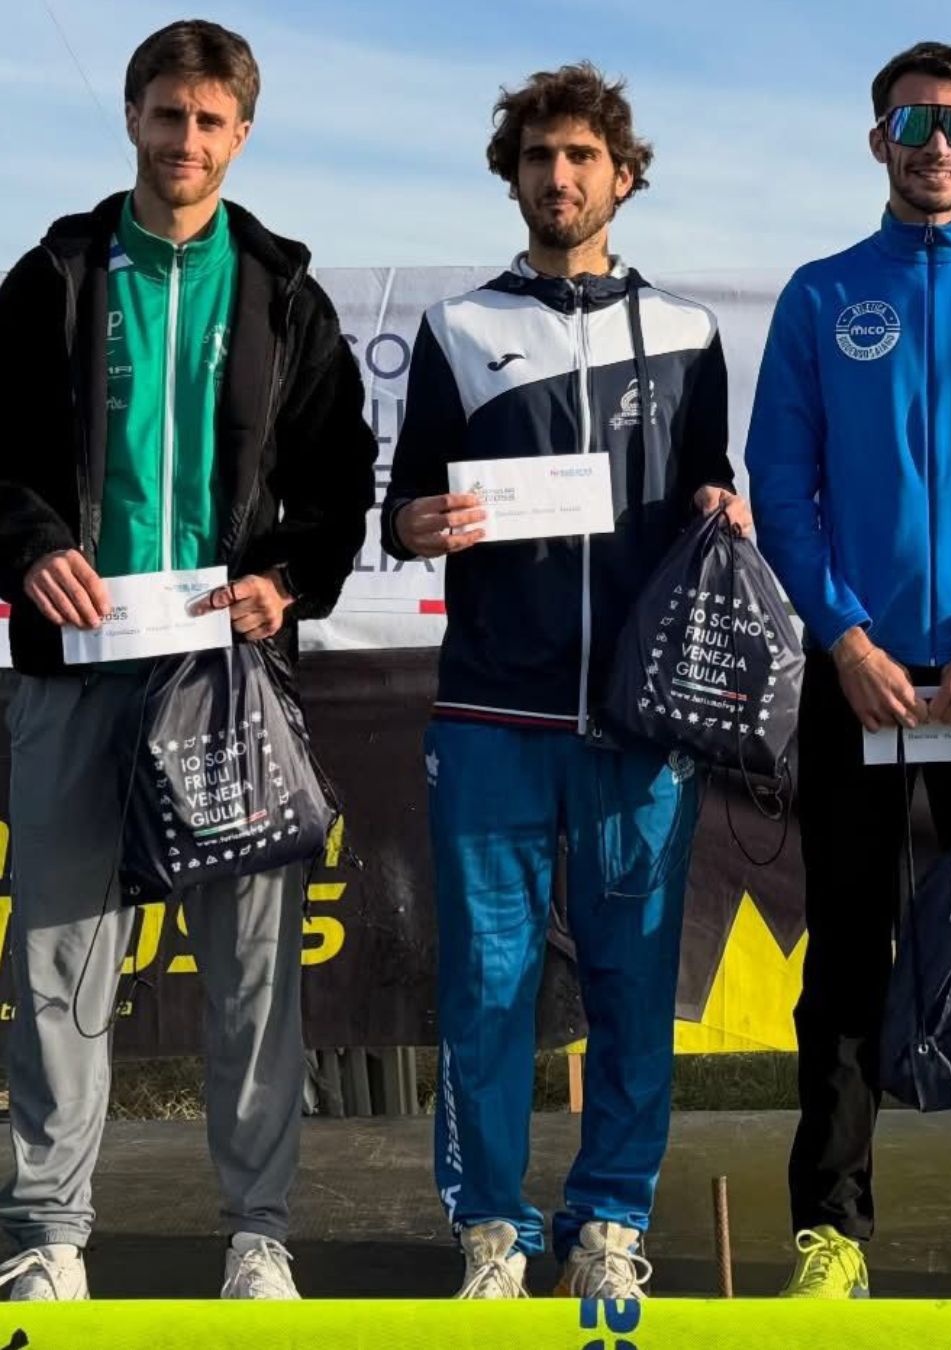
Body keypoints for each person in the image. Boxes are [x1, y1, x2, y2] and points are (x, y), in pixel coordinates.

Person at [0, 19, 375, 1300]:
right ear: (132, 119)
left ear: (242, 135)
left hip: (225, 686)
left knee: (255, 970)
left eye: (212, 121)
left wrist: (284, 581)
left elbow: (339, 482)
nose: (187, 140)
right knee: (57, 960)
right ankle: (48, 1236)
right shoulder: (53, 276)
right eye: (169, 115)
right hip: (73, 672)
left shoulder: (283, 295)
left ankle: (258, 1235)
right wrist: (31, 546)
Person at [381, 61, 750, 1301]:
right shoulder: (458, 328)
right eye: (539, 156)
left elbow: (710, 485)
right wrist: (417, 523)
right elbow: (405, 506)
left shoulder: (691, 334)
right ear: (514, 177)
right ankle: (491, 1228)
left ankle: (609, 1223)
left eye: (582, 155)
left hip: (641, 723)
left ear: (623, 177)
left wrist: (722, 505)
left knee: (633, 987)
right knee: (487, 988)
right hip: (493, 711)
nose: (559, 174)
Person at [746, 41, 951, 1299]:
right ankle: (831, 1233)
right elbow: (783, 484)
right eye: (912, 122)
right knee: (846, 950)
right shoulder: (822, 295)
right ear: (876, 138)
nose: (936, 145)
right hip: (861, 677)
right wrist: (845, 639)